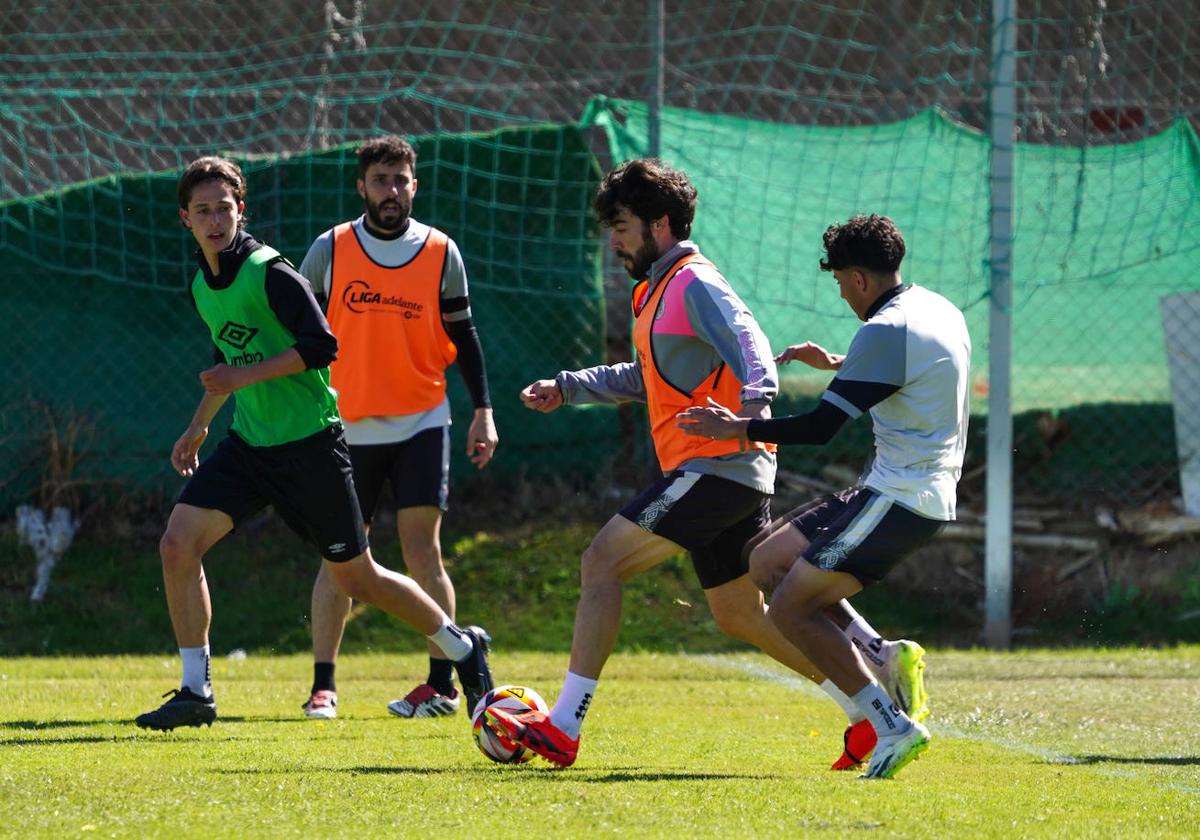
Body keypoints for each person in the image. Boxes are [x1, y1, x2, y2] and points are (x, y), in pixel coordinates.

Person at [485, 160, 922, 770]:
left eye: (623, 226)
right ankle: (873, 711)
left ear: (660, 225)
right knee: (738, 613)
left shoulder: (695, 283)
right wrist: (568, 387)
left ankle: (563, 726)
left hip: (714, 467)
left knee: (601, 562)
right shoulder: (654, 290)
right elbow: (651, 376)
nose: (613, 240)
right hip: (719, 471)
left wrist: (753, 402)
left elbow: (752, 346)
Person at [135, 156, 492, 731]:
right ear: (185, 219)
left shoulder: (269, 270)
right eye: (202, 211)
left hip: (311, 445)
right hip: (250, 445)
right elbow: (231, 356)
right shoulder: (204, 283)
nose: (214, 219)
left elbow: (322, 346)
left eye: (223, 208)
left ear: (240, 210)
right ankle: (195, 691)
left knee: (358, 577)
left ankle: (461, 647)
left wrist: (239, 380)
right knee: (178, 545)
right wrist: (199, 424)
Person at [676, 214, 971, 780]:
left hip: (902, 498)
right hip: (895, 489)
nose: (839, 292)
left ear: (859, 278)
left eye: (839, 281)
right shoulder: (935, 309)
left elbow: (819, 427)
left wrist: (737, 429)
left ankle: (893, 726)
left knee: (790, 609)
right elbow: (918, 370)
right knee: (766, 559)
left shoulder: (884, 330)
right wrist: (838, 362)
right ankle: (884, 655)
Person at [295, 136, 499, 721]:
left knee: (422, 551)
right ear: (361, 186)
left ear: (415, 184)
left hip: (421, 421)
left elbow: (465, 338)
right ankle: (324, 687)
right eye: (381, 180)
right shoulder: (330, 248)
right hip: (343, 426)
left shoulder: (440, 251)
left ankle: (442, 683)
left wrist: (483, 409)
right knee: (340, 559)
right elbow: (299, 332)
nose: (392, 190)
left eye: (401, 180)